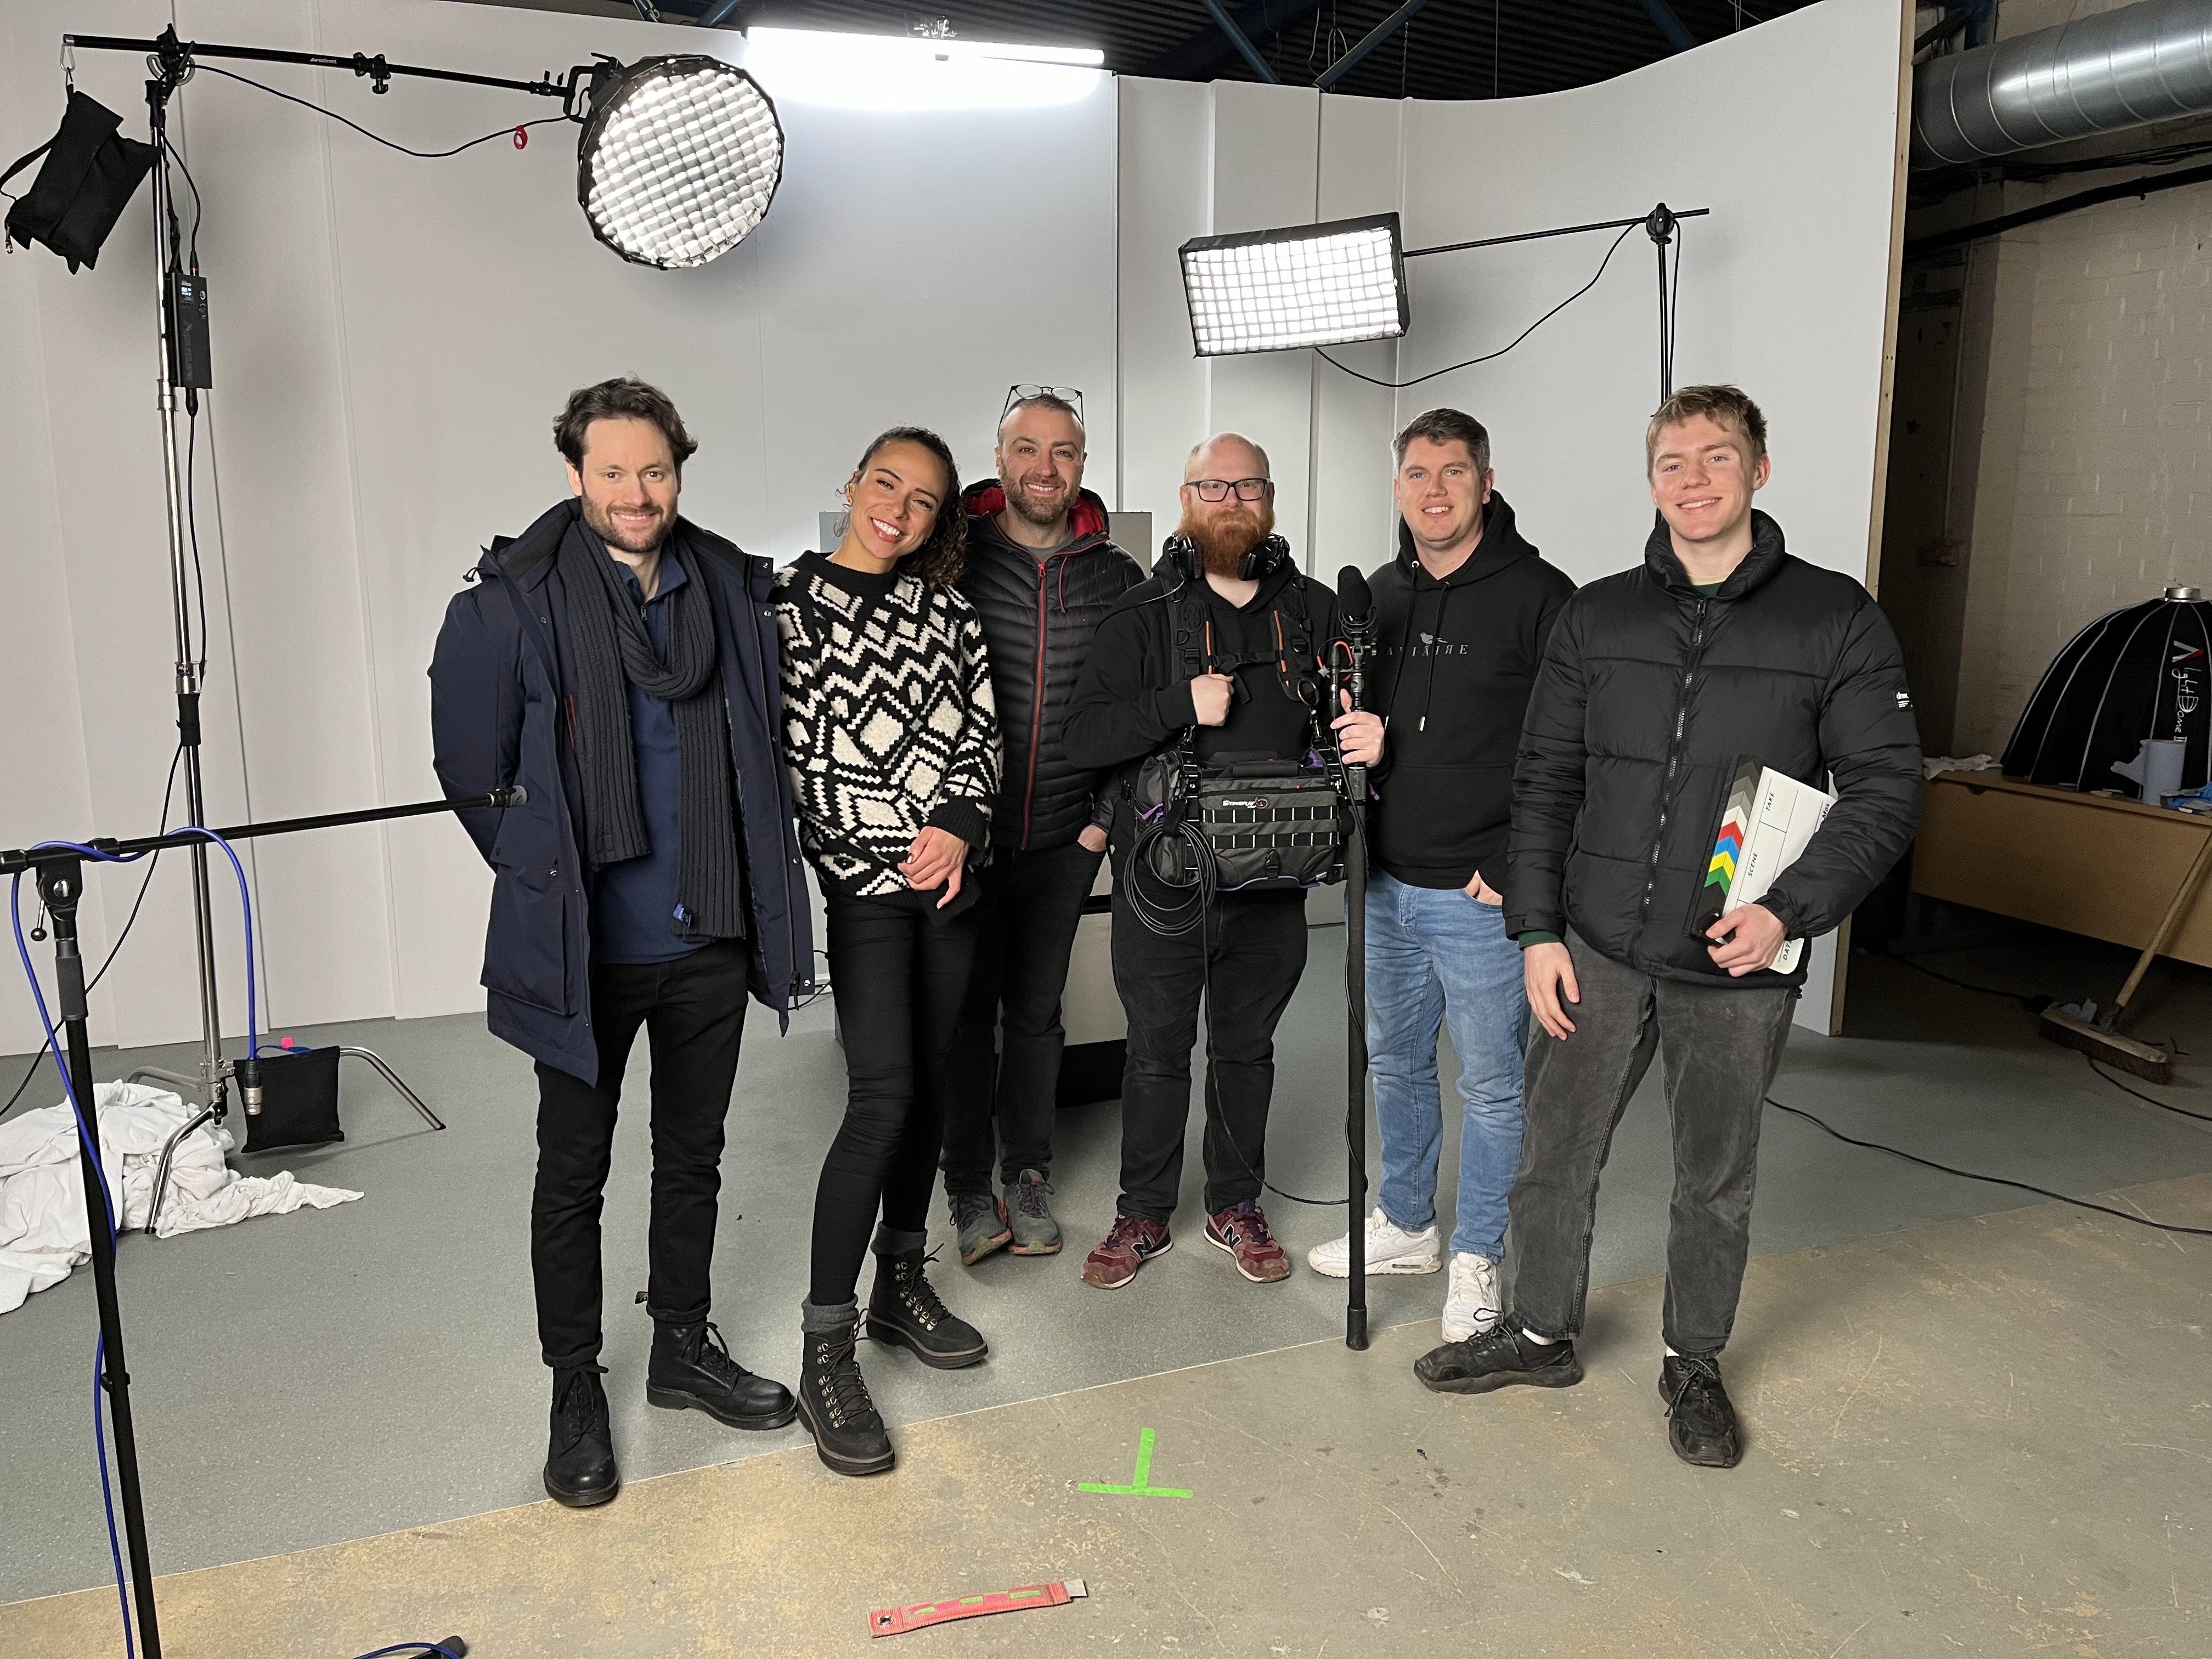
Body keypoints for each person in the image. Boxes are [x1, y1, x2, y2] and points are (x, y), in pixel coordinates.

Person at [1413, 385, 1922, 1470]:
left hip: (1736, 961)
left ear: (1759, 470)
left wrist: (1788, 909)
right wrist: (1537, 932)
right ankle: (1541, 1333)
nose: (1695, 480)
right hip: (1594, 945)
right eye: (1673, 462)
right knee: (1554, 1153)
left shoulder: (1834, 618)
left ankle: (1694, 1362)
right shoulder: (1599, 617)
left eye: (1717, 457)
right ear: (1651, 481)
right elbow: (1545, 781)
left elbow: (1886, 788)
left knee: (1714, 1177)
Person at [430, 377, 811, 1510]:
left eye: (655, 471)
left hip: (710, 932)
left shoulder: (728, 588)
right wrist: (546, 872)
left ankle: (682, 1347)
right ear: (574, 474)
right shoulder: (509, 607)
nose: (637, 493)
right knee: (573, 1173)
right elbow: (473, 775)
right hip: (587, 946)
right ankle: (574, 1386)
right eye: (612, 473)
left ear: (678, 471)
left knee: (694, 1155)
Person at [1064, 433, 1385, 1291]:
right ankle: (1142, 1212)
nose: (1231, 501)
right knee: (1156, 1054)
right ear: (1186, 497)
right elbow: (1083, 736)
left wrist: (1367, 735)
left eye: (1247, 487)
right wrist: (1179, 702)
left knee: (1247, 1050)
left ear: (1269, 499)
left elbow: (1352, 722)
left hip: (1272, 885)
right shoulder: (1141, 612)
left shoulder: (1316, 611)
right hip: (1161, 884)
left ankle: (1234, 1205)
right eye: (1214, 487)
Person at [1305, 409, 1574, 1345]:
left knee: (1495, 1087)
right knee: (1396, 1063)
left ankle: (1479, 1255)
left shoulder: (1542, 598)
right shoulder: (1378, 599)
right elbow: (1372, 737)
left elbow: (1572, 747)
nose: (1434, 490)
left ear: (1486, 484)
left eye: (1454, 472)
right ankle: (1410, 1223)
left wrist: (1517, 863)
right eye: (1417, 474)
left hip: (1479, 895)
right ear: (1397, 488)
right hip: (1384, 885)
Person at [775, 425, 1000, 1477]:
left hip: (950, 880)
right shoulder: (784, 607)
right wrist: (896, 848)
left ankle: (899, 1286)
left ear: (938, 518)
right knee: (882, 1098)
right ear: (853, 482)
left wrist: (957, 825)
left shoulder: (947, 611)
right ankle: (826, 1346)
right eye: (885, 484)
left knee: (940, 1083)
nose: (897, 511)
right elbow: (798, 761)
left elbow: (980, 734)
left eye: (922, 501)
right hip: (867, 891)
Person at [940, 388, 1146, 1266]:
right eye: (1028, 448)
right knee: (963, 1015)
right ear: (1000, 459)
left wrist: (1102, 823)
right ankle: (964, 1185)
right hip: (968, 837)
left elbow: (1141, 713)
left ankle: (1026, 1174)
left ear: (1082, 465)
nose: (1044, 467)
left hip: (1066, 837)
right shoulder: (952, 556)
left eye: (1063, 451)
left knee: (1035, 1013)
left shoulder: (1117, 576)